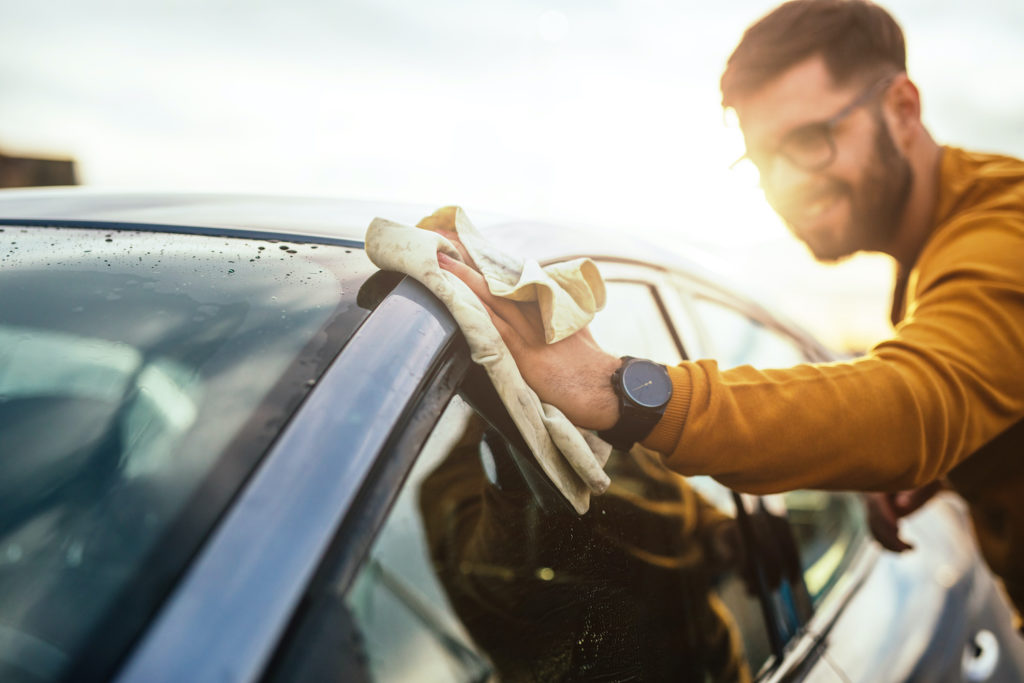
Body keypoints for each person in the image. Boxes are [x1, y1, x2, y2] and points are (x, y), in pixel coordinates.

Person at [436, 0, 1024, 626]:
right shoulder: (940, 250)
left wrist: (614, 388)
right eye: (761, 161)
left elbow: (915, 404)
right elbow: (957, 391)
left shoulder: (1006, 225)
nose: (786, 186)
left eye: (809, 140)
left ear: (903, 109)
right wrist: (959, 461)